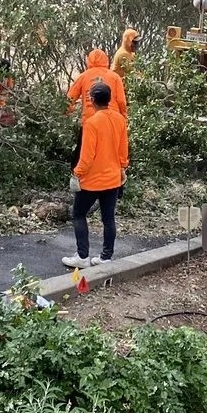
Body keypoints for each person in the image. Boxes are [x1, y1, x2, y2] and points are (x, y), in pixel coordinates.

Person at [63, 82, 128, 269]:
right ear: (110, 99)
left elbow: (87, 155)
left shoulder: (91, 123)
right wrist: (123, 167)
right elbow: (123, 149)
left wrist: (77, 173)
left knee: (78, 214)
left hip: (92, 180)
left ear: (91, 100)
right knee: (108, 218)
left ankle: (82, 256)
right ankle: (106, 257)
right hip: (113, 178)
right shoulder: (120, 120)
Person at [67, 49, 127, 169]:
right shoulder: (114, 77)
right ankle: (113, 177)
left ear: (88, 60)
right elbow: (121, 101)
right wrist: (123, 117)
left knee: (84, 153)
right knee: (110, 154)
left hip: (89, 121)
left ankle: (77, 177)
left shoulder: (83, 76)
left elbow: (69, 99)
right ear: (106, 60)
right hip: (112, 122)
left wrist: (66, 113)